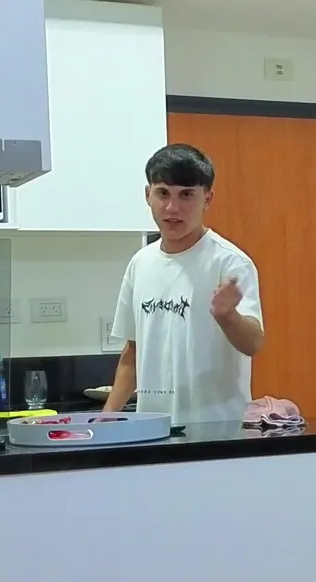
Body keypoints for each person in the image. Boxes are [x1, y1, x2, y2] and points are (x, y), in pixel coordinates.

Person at [103, 143, 264, 424]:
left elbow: (253, 343)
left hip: (216, 430)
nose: (172, 208)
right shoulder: (141, 263)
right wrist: (107, 418)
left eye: (186, 194)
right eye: (163, 193)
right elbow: (133, 352)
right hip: (153, 429)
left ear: (208, 198)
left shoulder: (229, 262)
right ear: (147, 195)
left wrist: (228, 316)